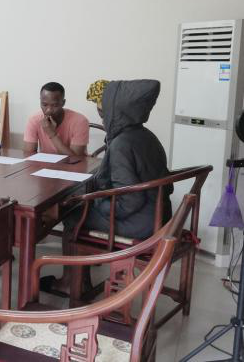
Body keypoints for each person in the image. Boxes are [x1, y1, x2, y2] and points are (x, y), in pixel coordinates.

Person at [41, 79, 172, 295]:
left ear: (116, 109)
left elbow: (130, 200)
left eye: (104, 107)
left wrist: (99, 204)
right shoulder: (146, 136)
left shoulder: (122, 143)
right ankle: (81, 276)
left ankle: (71, 283)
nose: (101, 113)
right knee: (82, 206)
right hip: (160, 215)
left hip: (142, 224)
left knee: (73, 215)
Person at [23, 82, 89, 156]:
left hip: (73, 163)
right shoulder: (34, 120)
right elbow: (29, 154)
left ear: (63, 103)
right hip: (45, 162)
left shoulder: (80, 121)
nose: (49, 110)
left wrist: (52, 134)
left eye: (54, 105)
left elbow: (75, 158)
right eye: (44, 104)